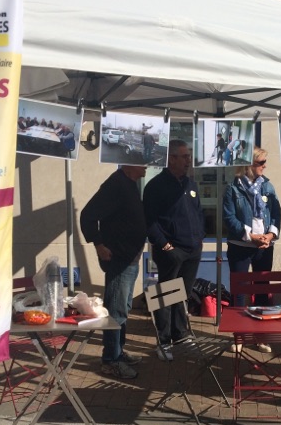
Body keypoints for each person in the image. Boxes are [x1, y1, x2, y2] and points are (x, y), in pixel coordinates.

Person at [79, 165, 148, 379]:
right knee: (116, 311)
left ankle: (118, 352)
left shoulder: (130, 183)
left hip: (130, 258)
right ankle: (110, 361)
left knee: (123, 309)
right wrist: (99, 244)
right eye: (141, 161)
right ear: (129, 165)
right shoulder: (115, 184)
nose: (146, 165)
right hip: (118, 259)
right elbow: (88, 215)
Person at [143, 139, 206, 361]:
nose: (189, 160)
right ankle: (163, 340)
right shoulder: (156, 186)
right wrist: (164, 244)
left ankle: (180, 335)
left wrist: (200, 238)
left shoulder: (191, 185)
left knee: (184, 294)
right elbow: (149, 220)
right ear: (171, 159)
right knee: (166, 295)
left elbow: (198, 213)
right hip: (171, 250)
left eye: (189, 156)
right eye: (184, 156)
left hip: (193, 249)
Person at [222, 147, 281, 353]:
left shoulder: (268, 186)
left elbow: (276, 214)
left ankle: (260, 336)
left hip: (264, 246)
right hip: (240, 245)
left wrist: (270, 235)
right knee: (239, 292)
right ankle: (239, 336)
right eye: (260, 162)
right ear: (248, 164)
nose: (264, 166)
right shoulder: (232, 188)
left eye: (265, 162)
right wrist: (250, 236)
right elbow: (229, 218)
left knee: (262, 290)